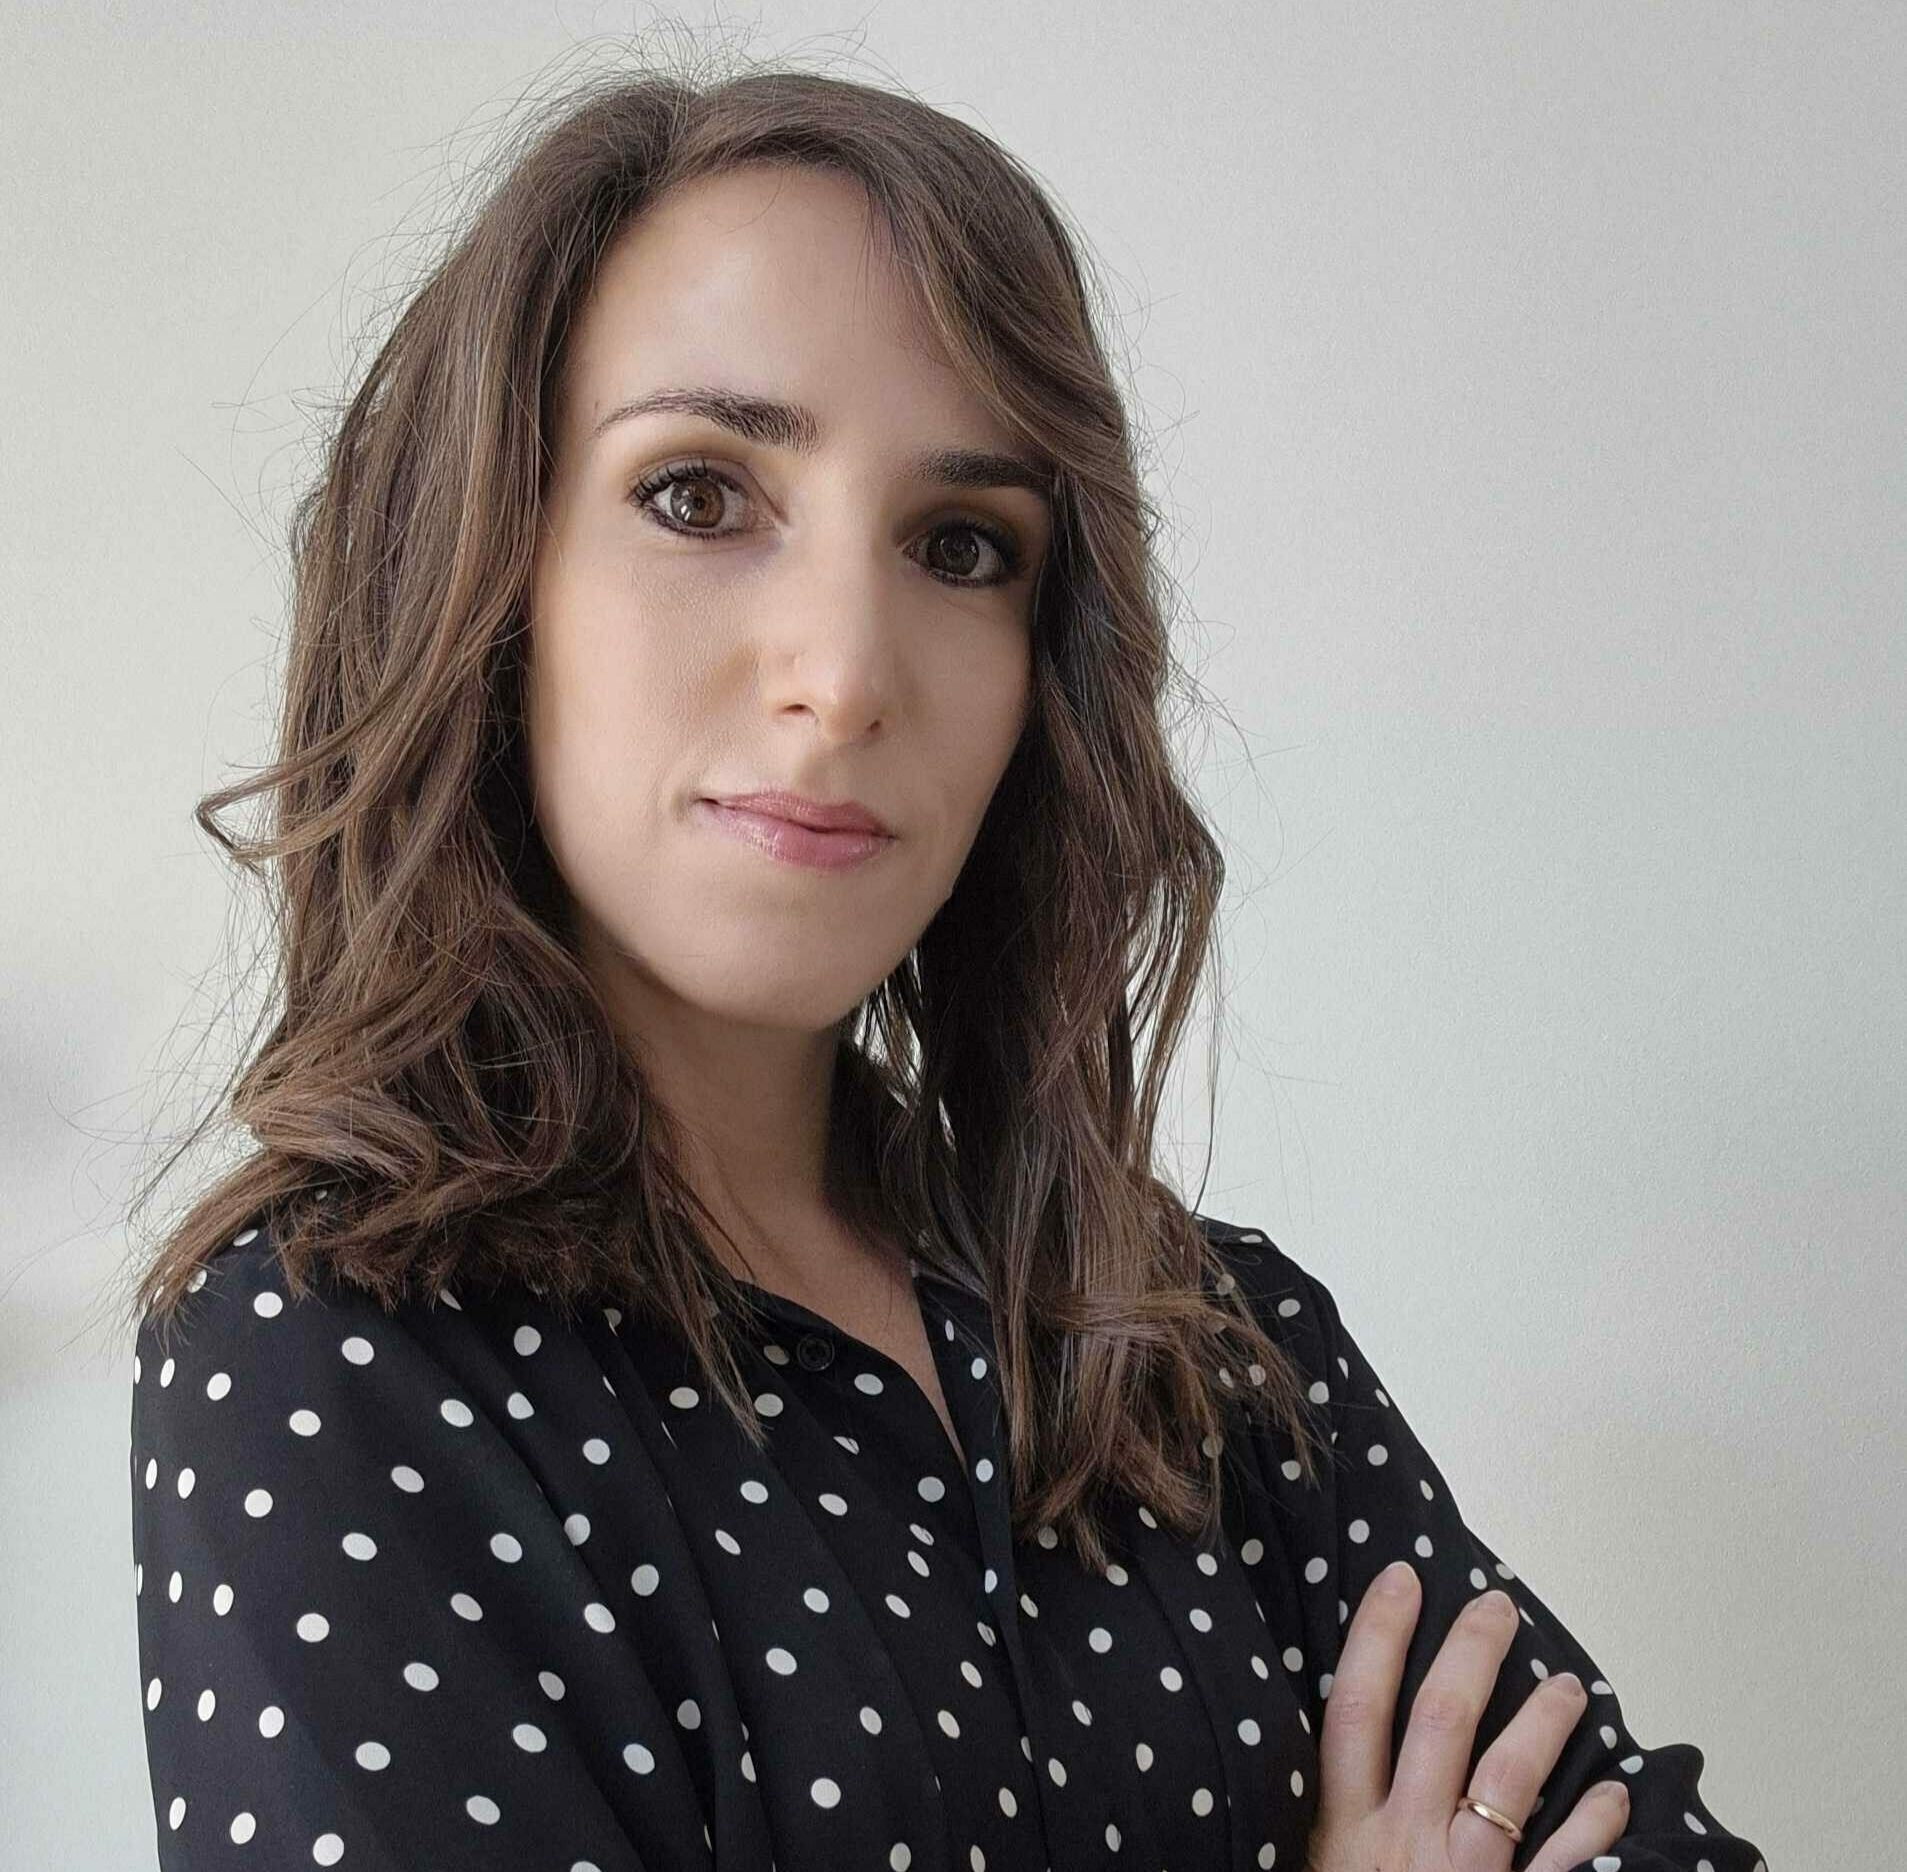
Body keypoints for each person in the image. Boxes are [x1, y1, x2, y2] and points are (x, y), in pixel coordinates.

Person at [122, 57, 1770, 1872]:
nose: (845, 673)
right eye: (698, 496)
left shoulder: (1205, 1347)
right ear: (484, 574)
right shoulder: (340, 1354)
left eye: (962, 547)